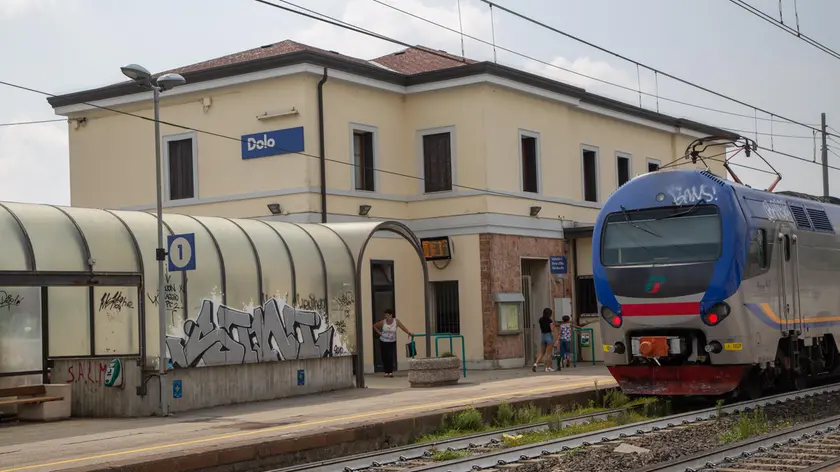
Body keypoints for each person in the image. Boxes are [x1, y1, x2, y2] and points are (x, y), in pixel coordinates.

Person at [373, 308, 412, 377]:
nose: (386, 316)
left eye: (387, 315)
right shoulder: (383, 322)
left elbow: (402, 327)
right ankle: (386, 372)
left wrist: (408, 332)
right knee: (384, 356)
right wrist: (379, 333)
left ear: (391, 315)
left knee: (390, 356)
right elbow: (375, 326)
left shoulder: (396, 321)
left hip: (391, 341)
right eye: (385, 315)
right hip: (383, 341)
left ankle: (390, 372)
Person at [533, 307, 557, 373]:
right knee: (548, 354)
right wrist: (554, 325)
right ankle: (547, 367)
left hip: (543, 336)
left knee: (541, 352)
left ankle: (535, 364)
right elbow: (552, 329)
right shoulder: (550, 321)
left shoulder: (540, 319)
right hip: (548, 336)